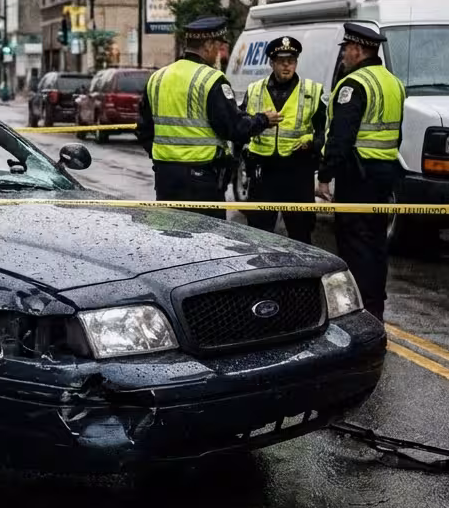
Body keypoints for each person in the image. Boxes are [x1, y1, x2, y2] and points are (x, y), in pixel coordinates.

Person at [136, 16, 283, 218]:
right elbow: (234, 128)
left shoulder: (158, 77)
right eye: (218, 47)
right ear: (207, 45)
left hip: (165, 178)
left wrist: (162, 157)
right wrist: (263, 119)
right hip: (201, 181)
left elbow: (143, 129)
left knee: (170, 238)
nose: (219, 52)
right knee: (206, 242)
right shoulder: (210, 79)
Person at [316, 23, 405, 321]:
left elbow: (341, 137)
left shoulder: (354, 85)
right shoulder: (394, 83)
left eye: (345, 49)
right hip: (384, 174)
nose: (343, 54)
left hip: (358, 176)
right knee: (377, 243)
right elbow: (397, 135)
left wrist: (325, 176)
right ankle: (376, 306)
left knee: (355, 244)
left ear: (358, 49)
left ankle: (359, 312)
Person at [239, 36, 327, 243]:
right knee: (258, 235)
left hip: (297, 171)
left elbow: (326, 131)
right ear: (272, 63)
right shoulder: (254, 90)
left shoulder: (313, 91)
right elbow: (240, 128)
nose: (287, 65)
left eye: (291, 60)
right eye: (281, 61)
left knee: (300, 236)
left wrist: (311, 141)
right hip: (263, 172)